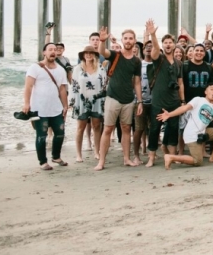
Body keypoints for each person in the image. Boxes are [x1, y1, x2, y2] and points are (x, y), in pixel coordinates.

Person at [157, 84, 213, 169]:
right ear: (205, 91)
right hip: (191, 135)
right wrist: (169, 114)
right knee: (197, 161)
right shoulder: (198, 100)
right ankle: (171, 157)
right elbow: (184, 108)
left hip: (202, 132)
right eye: (211, 89)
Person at [95, 27, 143, 170]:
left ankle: (127, 158)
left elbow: (137, 82)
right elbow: (102, 52)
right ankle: (101, 161)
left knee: (126, 128)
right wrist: (102, 41)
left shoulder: (136, 61)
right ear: (122, 40)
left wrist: (139, 101)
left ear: (134, 41)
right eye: (126, 38)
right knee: (108, 129)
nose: (128, 41)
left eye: (131, 38)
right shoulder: (115, 55)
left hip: (128, 99)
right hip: (113, 97)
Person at [22, 43, 69, 170]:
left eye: (55, 50)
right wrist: (27, 103)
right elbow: (28, 86)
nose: (53, 52)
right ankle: (43, 162)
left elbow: (62, 89)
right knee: (41, 136)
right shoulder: (35, 67)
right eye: (50, 50)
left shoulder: (60, 70)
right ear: (44, 52)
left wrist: (65, 106)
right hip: (39, 109)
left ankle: (56, 156)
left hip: (56, 108)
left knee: (60, 133)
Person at [145, 22, 184, 168]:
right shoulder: (158, 58)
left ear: (174, 45)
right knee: (154, 129)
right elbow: (154, 48)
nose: (168, 45)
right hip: (158, 101)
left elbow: (181, 83)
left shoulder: (179, 63)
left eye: (170, 42)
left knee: (173, 129)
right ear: (163, 45)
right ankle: (152, 158)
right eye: (165, 42)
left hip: (173, 102)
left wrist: (182, 100)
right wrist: (153, 34)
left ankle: (172, 157)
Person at [69, 45, 107, 163]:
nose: (89, 55)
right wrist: (72, 102)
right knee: (80, 128)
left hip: (97, 100)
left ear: (95, 55)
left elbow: (105, 85)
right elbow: (73, 86)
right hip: (82, 101)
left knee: (97, 127)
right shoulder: (77, 69)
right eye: (86, 53)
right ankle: (79, 154)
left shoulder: (101, 68)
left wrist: (104, 101)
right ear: (83, 55)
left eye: (91, 53)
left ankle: (96, 151)